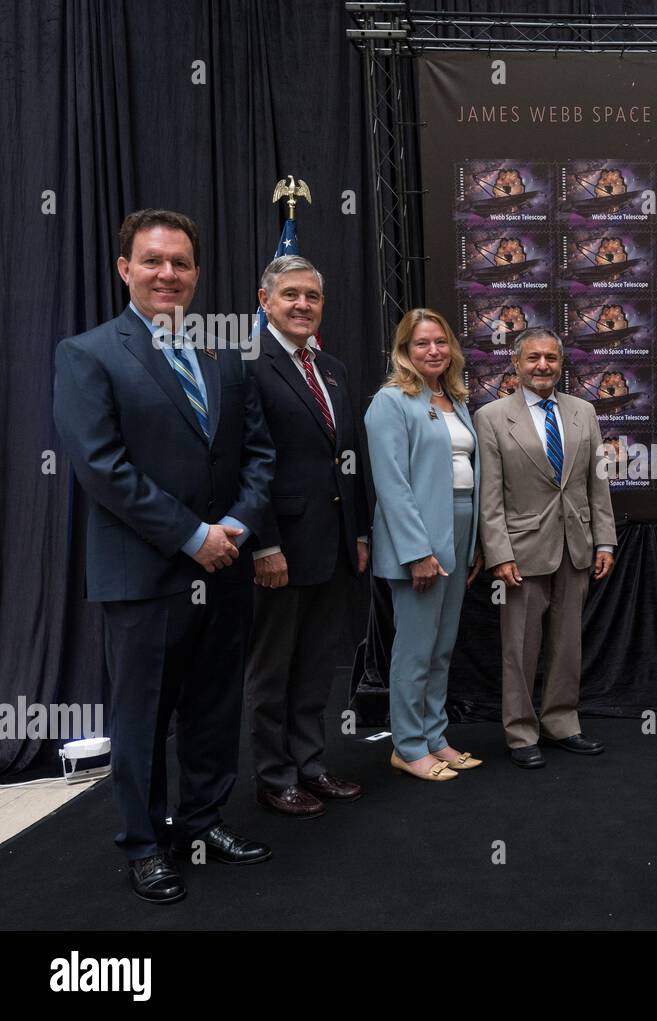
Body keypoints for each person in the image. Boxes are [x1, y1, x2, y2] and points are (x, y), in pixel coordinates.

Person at [52, 209, 276, 903]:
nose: (167, 274)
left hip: (226, 566)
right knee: (143, 717)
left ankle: (203, 822)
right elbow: (102, 467)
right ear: (125, 269)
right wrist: (192, 535)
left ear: (196, 272)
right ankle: (145, 844)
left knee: (214, 706)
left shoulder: (221, 357)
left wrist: (234, 526)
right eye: (152, 261)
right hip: (147, 574)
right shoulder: (89, 353)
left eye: (180, 263)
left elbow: (258, 455)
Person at [244, 256, 369, 816]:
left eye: (312, 297)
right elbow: (247, 463)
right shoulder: (248, 363)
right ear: (265, 299)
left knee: (317, 665)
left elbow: (349, 460)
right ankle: (275, 777)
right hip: (281, 550)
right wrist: (264, 544)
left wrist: (359, 532)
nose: (302, 305)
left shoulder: (334, 368)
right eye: (290, 295)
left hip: (334, 546)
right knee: (274, 670)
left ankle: (310, 765)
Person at [474, 328, 616, 768]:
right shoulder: (492, 417)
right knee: (519, 647)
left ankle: (561, 723)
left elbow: (597, 483)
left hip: (576, 545)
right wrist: (498, 553)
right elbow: (490, 496)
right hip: (521, 550)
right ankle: (520, 733)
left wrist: (605, 539)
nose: (542, 366)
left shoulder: (583, 412)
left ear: (560, 364)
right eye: (533, 358)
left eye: (551, 358)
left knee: (567, 643)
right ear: (515, 364)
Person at [366, 309, 484, 781]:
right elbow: (392, 485)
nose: (433, 350)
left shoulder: (455, 399)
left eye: (440, 342)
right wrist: (418, 552)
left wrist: (472, 542)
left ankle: (436, 737)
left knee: (442, 646)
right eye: (421, 344)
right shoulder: (391, 401)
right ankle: (408, 745)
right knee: (415, 649)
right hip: (420, 539)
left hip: (458, 531)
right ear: (404, 351)